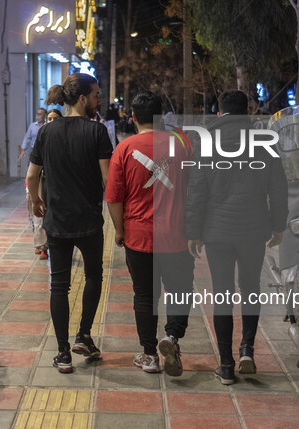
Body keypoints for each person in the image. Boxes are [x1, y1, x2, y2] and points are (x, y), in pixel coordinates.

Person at [185, 90, 288, 385]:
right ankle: (247, 351)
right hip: (254, 230)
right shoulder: (263, 142)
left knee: (222, 294)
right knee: (251, 288)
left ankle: (227, 365)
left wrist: (193, 231)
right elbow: (278, 188)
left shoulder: (207, 144)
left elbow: (197, 192)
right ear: (248, 113)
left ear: (219, 114)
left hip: (217, 233)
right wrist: (277, 225)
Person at [26, 73, 113, 374]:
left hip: (57, 222)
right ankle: (84, 336)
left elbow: (31, 176)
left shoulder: (46, 132)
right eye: (96, 95)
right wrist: (119, 220)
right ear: (82, 99)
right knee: (93, 276)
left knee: (59, 286)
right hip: (89, 221)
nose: (99, 100)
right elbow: (108, 180)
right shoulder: (97, 132)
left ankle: (63, 353)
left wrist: (35, 200)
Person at [105, 92, 194, 375]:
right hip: (177, 236)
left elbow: (113, 197)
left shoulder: (124, 148)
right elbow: (193, 190)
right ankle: (172, 337)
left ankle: (149, 356)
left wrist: (119, 231)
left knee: (145, 295)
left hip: (139, 236)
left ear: (132, 118)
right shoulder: (182, 146)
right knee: (180, 292)